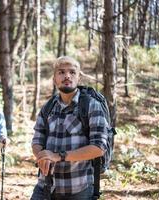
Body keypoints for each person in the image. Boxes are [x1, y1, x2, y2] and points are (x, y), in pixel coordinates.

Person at [31, 56, 109, 200]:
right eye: (61, 72)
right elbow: (37, 141)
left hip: (77, 189)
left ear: (78, 78)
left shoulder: (91, 106)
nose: (67, 76)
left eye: (72, 72)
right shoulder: (48, 107)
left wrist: (57, 156)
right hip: (45, 186)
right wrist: (42, 156)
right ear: (54, 79)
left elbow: (99, 147)